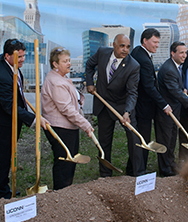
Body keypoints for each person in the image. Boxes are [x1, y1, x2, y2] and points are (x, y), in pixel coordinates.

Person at [0, 38, 48, 199]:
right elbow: (9, 107)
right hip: (0, 126)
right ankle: (1, 192)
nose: (23, 60)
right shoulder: (1, 77)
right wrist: (34, 119)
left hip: (7, 122)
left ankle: (2, 186)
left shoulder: (6, 63)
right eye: (19, 57)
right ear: (7, 56)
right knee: (2, 159)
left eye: (24, 56)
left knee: (5, 157)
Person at [85, 34, 141, 177]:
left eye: (128, 47)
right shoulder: (102, 52)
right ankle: (105, 175)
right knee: (104, 142)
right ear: (114, 44)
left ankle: (137, 174)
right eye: (122, 46)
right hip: (104, 105)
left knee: (135, 140)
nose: (125, 50)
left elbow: (132, 93)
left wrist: (127, 112)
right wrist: (90, 83)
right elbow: (90, 65)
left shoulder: (133, 66)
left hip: (123, 106)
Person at [42, 47, 94, 190]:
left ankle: (66, 191)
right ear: (55, 64)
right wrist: (85, 124)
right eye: (65, 61)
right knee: (64, 162)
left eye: (69, 60)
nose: (69, 63)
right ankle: (61, 193)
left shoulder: (61, 78)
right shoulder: (56, 82)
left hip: (67, 126)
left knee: (70, 160)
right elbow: (66, 109)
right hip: (61, 128)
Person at [156, 42, 188, 176]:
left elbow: (178, 88)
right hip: (166, 111)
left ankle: (171, 166)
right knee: (165, 141)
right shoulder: (169, 70)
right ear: (173, 53)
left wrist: (183, 89)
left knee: (171, 140)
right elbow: (175, 92)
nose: (184, 55)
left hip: (174, 110)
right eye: (181, 53)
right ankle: (165, 171)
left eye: (185, 52)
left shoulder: (176, 66)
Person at [130, 28, 171, 174]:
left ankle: (133, 168)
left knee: (139, 137)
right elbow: (149, 87)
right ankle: (139, 171)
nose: (157, 45)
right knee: (143, 139)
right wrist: (164, 104)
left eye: (158, 42)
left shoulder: (137, 52)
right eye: (154, 42)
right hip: (143, 107)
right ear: (145, 41)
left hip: (138, 105)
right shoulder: (144, 59)